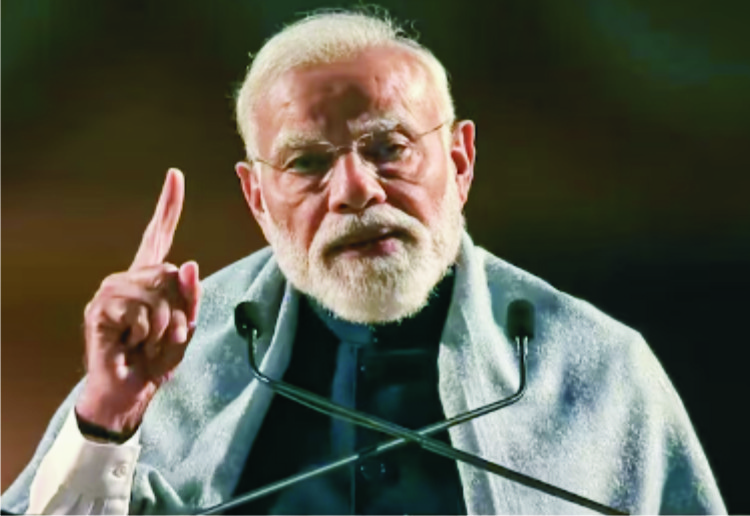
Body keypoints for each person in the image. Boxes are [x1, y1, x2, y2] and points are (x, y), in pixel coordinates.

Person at [1, 10, 726, 515]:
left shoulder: (599, 369)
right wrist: (108, 417)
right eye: (307, 163)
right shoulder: (175, 360)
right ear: (257, 197)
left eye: (389, 148)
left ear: (460, 161)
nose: (355, 189)